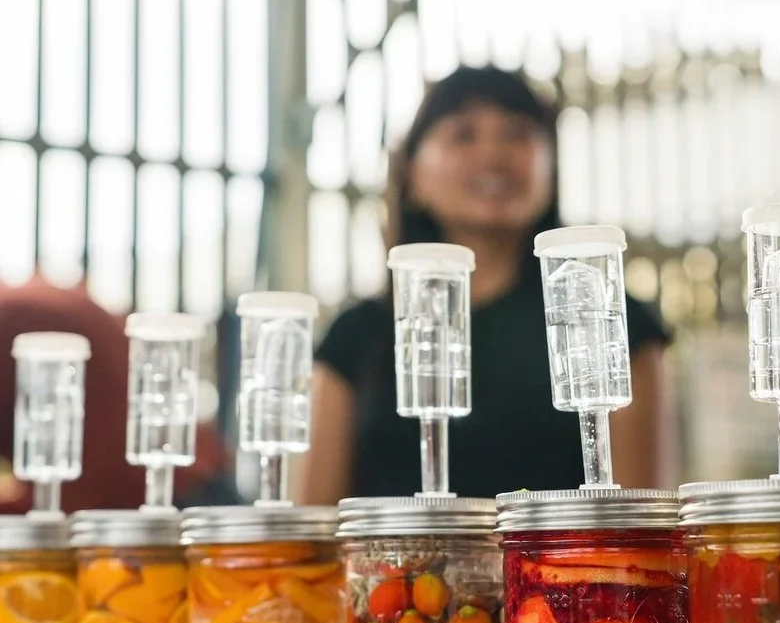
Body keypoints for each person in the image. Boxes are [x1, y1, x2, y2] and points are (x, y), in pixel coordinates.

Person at [302, 66, 673, 504]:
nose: (494, 154)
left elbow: (636, 518)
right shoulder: (357, 336)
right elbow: (319, 529)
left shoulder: (605, 320)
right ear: (411, 175)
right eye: (463, 135)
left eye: (518, 133)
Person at [0, 277, 242, 513]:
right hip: (186, 478)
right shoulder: (25, 303)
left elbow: (74, 490)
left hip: (165, 496)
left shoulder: (14, 319)